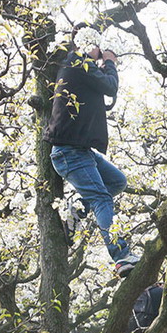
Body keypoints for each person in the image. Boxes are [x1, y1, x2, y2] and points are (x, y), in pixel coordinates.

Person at [43, 24, 138, 277]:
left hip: (80, 151)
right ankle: (121, 256)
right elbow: (110, 86)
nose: (99, 50)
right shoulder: (78, 63)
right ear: (86, 43)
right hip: (69, 153)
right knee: (102, 199)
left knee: (117, 182)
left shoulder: (79, 67)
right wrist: (110, 62)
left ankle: (77, 209)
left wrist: (103, 65)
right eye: (97, 44)